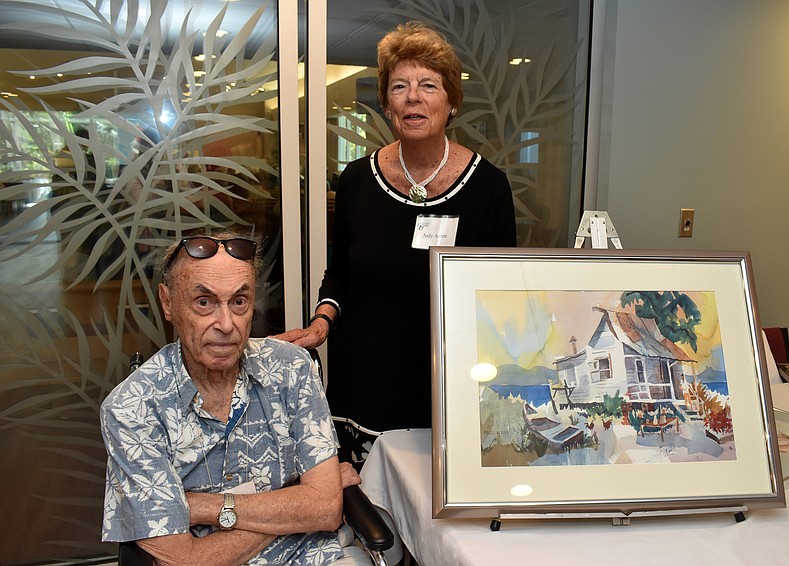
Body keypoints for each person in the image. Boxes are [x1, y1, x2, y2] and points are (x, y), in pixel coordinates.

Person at [276, 21, 516, 465]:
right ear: (387, 104)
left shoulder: (488, 188)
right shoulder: (356, 181)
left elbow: (498, 296)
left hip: (443, 384)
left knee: (427, 516)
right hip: (364, 378)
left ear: (450, 102)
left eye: (429, 85)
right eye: (400, 86)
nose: (413, 96)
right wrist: (322, 321)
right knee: (366, 516)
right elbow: (340, 274)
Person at [100, 231, 371, 565]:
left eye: (239, 302)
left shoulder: (290, 368)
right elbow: (186, 560)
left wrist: (204, 507)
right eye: (204, 302)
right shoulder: (132, 409)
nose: (226, 324)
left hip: (312, 555)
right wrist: (293, 505)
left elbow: (326, 510)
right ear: (168, 303)